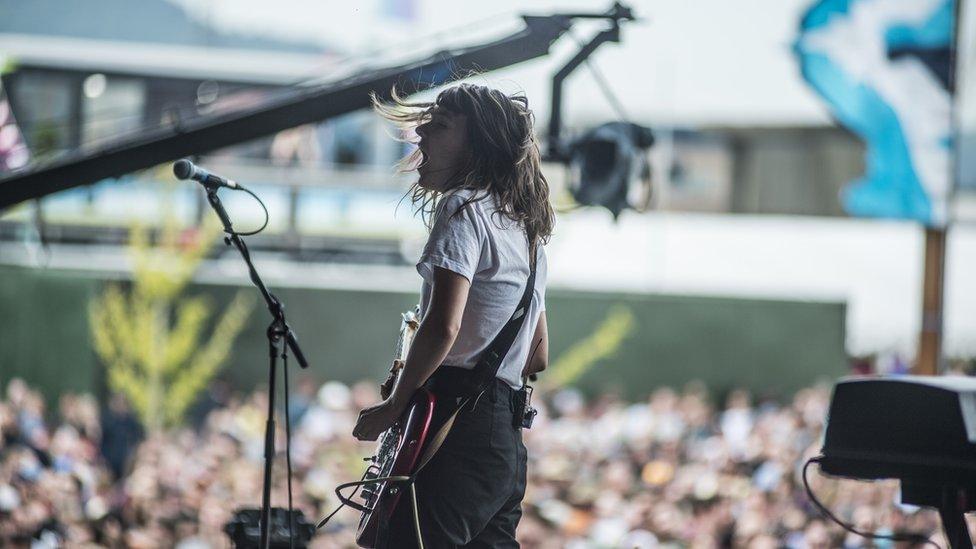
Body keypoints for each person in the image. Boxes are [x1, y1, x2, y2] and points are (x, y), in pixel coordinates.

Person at [352, 82, 553, 548]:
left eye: (439, 126)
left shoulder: (462, 207)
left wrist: (394, 405)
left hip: (456, 426)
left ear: (477, 144)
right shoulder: (526, 230)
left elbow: (443, 327)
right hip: (502, 442)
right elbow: (537, 356)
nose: (421, 133)